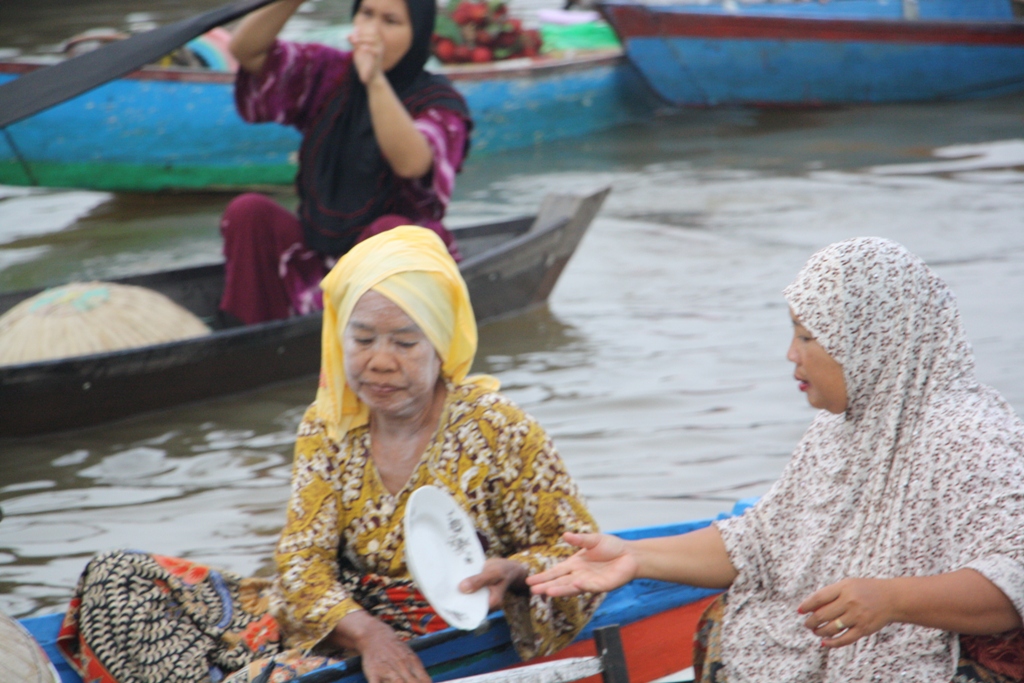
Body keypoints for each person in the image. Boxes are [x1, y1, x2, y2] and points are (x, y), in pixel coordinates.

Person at [57, 226, 601, 683]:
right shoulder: (330, 425)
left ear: (441, 344)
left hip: (438, 633)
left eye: (405, 344)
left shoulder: (500, 431)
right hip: (341, 622)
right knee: (117, 576)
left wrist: (516, 573)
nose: (379, 362)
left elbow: (580, 555)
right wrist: (367, 634)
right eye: (361, 340)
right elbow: (301, 562)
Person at [528, 237, 1024, 683]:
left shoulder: (968, 434)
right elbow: (764, 541)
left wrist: (892, 599)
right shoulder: (839, 427)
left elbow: (1012, 579)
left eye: (808, 337)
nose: (791, 354)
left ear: (873, 340)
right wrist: (635, 557)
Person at [219, 0, 472, 325]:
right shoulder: (329, 73)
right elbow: (247, 52)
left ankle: (365, 340)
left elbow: (412, 163)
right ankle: (249, 330)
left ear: (418, 33)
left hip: (400, 272)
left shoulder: (442, 103)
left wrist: (376, 82)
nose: (373, 30)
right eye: (366, 14)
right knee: (248, 212)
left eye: (391, 21)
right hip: (317, 258)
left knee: (388, 234)